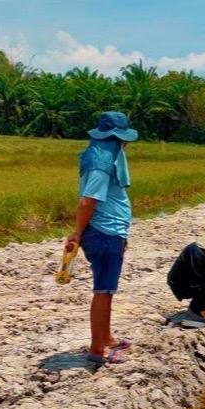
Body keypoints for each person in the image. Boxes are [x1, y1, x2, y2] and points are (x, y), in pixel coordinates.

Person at [65, 111, 136, 365]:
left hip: (112, 232)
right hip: (104, 232)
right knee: (103, 291)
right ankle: (97, 349)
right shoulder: (101, 162)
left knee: (108, 290)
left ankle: (106, 337)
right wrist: (77, 234)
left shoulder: (105, 155)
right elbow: (87, 201)